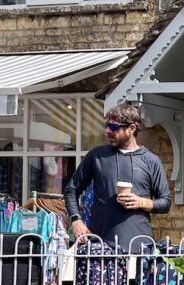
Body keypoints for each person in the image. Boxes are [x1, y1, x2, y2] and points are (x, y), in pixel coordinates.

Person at [63, 103, 171, 252]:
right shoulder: (97, 156)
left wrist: (142, 202)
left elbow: (165, 202)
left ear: (131, 129)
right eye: (107, 126)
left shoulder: (151, 161)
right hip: (101, 247)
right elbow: (71, 190)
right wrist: (76, 220)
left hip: (139, 247)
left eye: (114, 127)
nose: (108, 131)